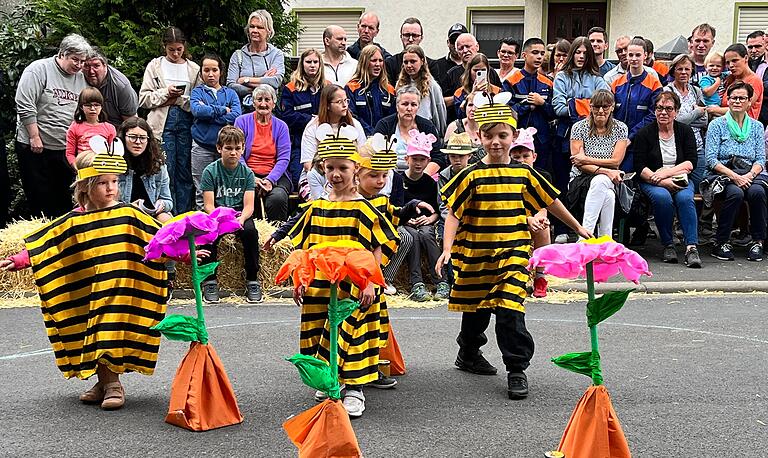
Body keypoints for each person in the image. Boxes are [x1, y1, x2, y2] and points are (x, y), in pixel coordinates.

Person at [436, 92, 592, 400]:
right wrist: (447, 248)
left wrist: (577, 227)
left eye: (502, 135)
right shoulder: (471, 174)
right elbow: (454, 213)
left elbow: (550, 201)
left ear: (513, 136)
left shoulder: (524, 173)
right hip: (477, 255)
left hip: (514, 254)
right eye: (490, 136)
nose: (496, 142)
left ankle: (516, 368)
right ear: (480, 137)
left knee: (510, 310)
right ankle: (467, 352)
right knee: (476, 310)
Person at [0, 147, 168, 411]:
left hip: (120, 291)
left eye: (114, 181)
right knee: (94, 332)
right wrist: (21, 259)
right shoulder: (75, 221)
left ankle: (113, 384)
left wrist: (184, 253)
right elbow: (50, 243)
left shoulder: (128, 215)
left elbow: (159, 240)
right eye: (102, 183)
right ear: (85, 187)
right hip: (89, 292)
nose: (111, 188)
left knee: (107, 331)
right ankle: (103, 383)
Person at [287, 126, 400, 418]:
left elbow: (378, 247)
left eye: (343, 168)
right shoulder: (317, 207)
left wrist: (371, 283)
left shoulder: (364, 208)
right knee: (319, 329)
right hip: (321, 285)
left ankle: (354, 389)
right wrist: (300, 278)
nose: (336, 174)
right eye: (330, 168)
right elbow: (306, 249)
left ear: (355, 168)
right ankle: (330, 377)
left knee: (352, 334)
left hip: (354, 284)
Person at [15, 33, 91, 218]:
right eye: (75, 60)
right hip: (36, 147)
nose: (79, 65)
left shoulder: (80, 78)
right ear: (62, 54)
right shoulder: (38, 70)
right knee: (39, 198)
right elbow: (24, 103)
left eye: (82, 61)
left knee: (64, 199)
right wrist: (34, 136)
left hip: (64, 149)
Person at [552, 36, 610, 241]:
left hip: (592, 137)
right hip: (565, 136)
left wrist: (573, 103)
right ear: (572, 53)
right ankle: (561, 228)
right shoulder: (561, 77)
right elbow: (558, 107)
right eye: (578, 52)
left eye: (586, 53)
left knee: (586, 182)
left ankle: (584, 230)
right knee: (561, 183)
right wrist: (588, 105)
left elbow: (605, 103)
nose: (581, 56)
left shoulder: (597, 78)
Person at [634, 91, 701, 267]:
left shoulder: (685, 131)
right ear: (655, 110)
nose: (664, 112)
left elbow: (690, 162)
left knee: (686, 199)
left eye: (669, 109)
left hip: (678, 176)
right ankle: (668, 244)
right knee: (662, 198)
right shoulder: (644, 133)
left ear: (676, 111)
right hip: (652, 179)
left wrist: (665, 174)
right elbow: (639, 166)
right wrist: (660, 181)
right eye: (659, 108)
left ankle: (691, 247)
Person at [139, 26, 201, 214]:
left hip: (186, 122)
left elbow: (199, 100)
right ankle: (168, 214)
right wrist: (166, 93)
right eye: (171, 49)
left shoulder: (193, 69)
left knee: (184, 170)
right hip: (161, 124)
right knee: (167, 168)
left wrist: (179, 100)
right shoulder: (155, 66)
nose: (175, 53)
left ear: (184, 47)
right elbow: (143, 99)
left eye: (179, 49)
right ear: (164, 47)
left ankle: (183, 215)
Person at [704, 81, 766, 262]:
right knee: (735, 193)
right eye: (734, 98)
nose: (737, 101)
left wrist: (748, 175)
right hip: (723, 173)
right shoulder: (717, 125)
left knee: (757, 191)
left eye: (742, 98)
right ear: (728, 100)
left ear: (749, 102)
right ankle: (721, 241)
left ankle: (757, 241)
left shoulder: (756, 126)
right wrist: (735, 177)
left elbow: (760, 159)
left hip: (749, 173)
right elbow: (711, 159)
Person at [199, 125, 262, 303]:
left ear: (243, 149)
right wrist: (221, 219)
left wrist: (241, 219)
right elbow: (208, 205)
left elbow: (249, 205)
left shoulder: (247, 173)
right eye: (228, 148)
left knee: (251, 233)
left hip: (239, 214)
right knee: (208, 235)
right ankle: (209, 280)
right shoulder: (210, 171)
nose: (233, 153)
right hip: (218, 214)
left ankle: (252, 279)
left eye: (237, 148)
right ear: (219, 148)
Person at [567, 89, 629, 238]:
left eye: (605, 106)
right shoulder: (579, 127)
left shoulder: (621, 128)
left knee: (602, 182)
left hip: (610, 178)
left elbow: (616, 162)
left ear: (612, 107)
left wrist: (586, 158)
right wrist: (606, 170)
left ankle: (585, 235)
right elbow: (578, 164)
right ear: (590, 106)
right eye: (596, 106)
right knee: (607, 194)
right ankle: (605, 240)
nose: (601, 111)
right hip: (581, 178)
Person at [400, 130, 450, 302]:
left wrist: (430, 218)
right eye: (415, 159)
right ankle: (416, 282)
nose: (418, 163)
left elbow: (438, 209)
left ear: (428, 161)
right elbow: (395, 208)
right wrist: (406, 219)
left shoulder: (430, 183)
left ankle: (440, 279)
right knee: (413, 236)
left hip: (426, 222)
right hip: (405, 221)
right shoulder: (399, 181)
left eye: (422, 160)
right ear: (407, 159)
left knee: (428, 234)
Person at [190, 53, 241, 210]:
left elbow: (236, 115)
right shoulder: (197, 92)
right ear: (201, 72)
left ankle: (225, 223)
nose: (210, 74)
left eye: (214, 70)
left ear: (221, 72)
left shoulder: (230, 93)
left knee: (225, 187)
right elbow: (197, 111)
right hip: (201, 146)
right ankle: (202, 224)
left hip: (224, 149)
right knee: (201, 188)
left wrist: (210, 113)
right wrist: (222, 110)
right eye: (206, 70)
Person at [234, 84, 292, 222]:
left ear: (274, 102)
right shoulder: (241, 122)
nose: (263, 104)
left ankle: (276, 237)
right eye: (259, 99)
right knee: (248, 195)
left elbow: (284, 158)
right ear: (253, 102)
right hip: (247, 173)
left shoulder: (281, 126)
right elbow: (237, 154)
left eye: (267, 100)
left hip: (275, 175)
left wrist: (270, 180)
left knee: (277, 198)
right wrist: (250, 177)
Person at [299, 84, 366, 196]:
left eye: (346, 100)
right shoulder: (313, 127)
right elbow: (308, 164)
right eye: (339, 102)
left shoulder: (354, 125)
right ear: (328, 105)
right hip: (320, 174)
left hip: (349, 174)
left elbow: (363, 155)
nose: (345, 105)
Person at [509, 127, 552, 297]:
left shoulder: (543, 176)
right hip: (513, 219)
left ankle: (540, 277)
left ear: (534, 157)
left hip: (534, 218)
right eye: (517, 157)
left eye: (526, 156)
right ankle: (516, 276)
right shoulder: (508, 176)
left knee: (543, 227)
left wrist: (539, 218)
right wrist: (527, 220)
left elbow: (545, 205)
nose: (522, 161)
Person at [610, 37, 663, 172]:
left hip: (641, 142)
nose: (634, 58)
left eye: (638, 55)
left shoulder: (654, 84)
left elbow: (653, 116)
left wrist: (631, 137)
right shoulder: (616, 83)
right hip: (616, 141)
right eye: (631, 55)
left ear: (645, 56)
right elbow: (610, 112)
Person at [279, 49, 328, 190]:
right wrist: (311, 120)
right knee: (297, 179)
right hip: (299, 143)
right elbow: (286, 116)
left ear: (320, 64)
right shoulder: (291, 88)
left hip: (325, 143)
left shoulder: (328, 87)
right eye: (308, 62)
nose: (312, 65)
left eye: (315, 62)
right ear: (302, 64)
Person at [504, 37, 555, 172]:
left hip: (543, 141)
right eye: (535, 52)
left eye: (542, 54)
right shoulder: (511, 81)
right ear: (524, 55)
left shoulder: (548, 82)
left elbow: (554, 112)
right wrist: (528, 106)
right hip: (517, 140)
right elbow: (507, 111)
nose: (539, 57)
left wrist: (542, 103)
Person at [373, 85, 446, 174]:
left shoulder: (427, 126)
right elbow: (374, 153)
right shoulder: (384, 125)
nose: (409, 109)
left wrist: (423, 177)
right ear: (397, 106)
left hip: (421, 175)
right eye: (405, 104)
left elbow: (438, 157)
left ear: (418, 107)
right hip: (389, 175)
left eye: (414, 105)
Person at [663, 54, 707, 189]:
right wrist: (696, 113)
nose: (683, 72)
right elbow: (670, 121)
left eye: (687, 69)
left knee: (699, 185)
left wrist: (684, 119)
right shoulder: (668, 91)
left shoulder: (696, 91)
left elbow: (704, 121)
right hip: (677, 146)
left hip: (697, 146)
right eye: (679, 69)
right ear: (673, 71)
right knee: (679, 186)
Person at [118, 117, 173, 222]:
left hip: (151, 215)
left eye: (143, 138)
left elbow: (169, 201)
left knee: (165, 218)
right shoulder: (114, 164)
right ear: (123, 138)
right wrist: (130, 208)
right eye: (133, 137)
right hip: (124, 215)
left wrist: (162, 204)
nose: (138, 142)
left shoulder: (158, 166)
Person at [227, 9, 285, 101]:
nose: (254, 30)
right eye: (252, 26)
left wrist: (245, 80)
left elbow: (275, 82)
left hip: (268, 108)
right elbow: (231, 86)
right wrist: (264, 83)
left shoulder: (276, 54)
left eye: (260, 27)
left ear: (269, 31)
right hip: (243, 108)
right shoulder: (238, 55)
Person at [442, 33, 503, 116]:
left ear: (477, 46)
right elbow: (443, 103)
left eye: (468, 46)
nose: (465, 50)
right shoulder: (451, 75)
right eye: (461, 48)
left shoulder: (494, 81)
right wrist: (470, 95)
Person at [395, 44, 448, 136]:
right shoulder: (400, 84)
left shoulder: (432, 86)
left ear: (422, 61)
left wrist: (440, 134)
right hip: (404, 131)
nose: (409, 65)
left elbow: (440, 111)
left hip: (425, 132)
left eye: (413, 61)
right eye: (406, 62)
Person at [345, 45, 395, 135]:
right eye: (373, 60)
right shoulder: (351, 88)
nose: (378, 64)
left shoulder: (389, 90)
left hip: (384, 140)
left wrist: (380, 134)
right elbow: (351, 116)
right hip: (360, 137)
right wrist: (370, 133)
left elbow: (393, 118)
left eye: (380, 60)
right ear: (364, 62)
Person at [83, 49, 138, 128]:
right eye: (87, 66)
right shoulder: (78, 77)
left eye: (96, 66)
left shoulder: (120, 86)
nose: (91, 71)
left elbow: (131, 122)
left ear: (105, 66)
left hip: (116, 128)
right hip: (86, 127)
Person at [709, 44, 764, 120]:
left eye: (735, 60)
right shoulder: (730, 79)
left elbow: (741, 108)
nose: (731, 65)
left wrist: (712, 109)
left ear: (746, 58)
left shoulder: (754, 80)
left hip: (744, 129)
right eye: (728, 63)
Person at [65, 87, 117, 168]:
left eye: (96, 105)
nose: (93, 108)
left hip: (103, 168)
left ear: (101, 107)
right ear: (81, 107)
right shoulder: (74, 127)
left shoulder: (110, 128)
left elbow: (113, 152)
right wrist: (76, 167)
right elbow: (70, 153)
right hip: (83, 168)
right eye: (88, 105)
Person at [385, 17, 439, 86]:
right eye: (407, 35)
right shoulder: (390, 64)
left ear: (421, 38)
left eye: (414, 35)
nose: (410, 39)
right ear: (401, 37)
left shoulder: (432, 65)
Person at [452, 53, 500, 120]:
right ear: (469, 71)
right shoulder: (460, 92)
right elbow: (459, 115)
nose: (479, 73)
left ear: (488, 71)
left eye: (483, 70)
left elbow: (499, 114)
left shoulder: (496, 90)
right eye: (476, 70)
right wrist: (471, 95)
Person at [443, 91, 483, 158]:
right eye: (470, 105)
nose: (473, 109)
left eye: (477, 106)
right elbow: (445, 156)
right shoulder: (454, 126)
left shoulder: (489, 128)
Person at [433, 23, 468, 92]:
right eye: (453, 40)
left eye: (460, 41)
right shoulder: (437, 66)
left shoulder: (475, 66)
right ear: (448, 42)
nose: (456, 44)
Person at [745, 30, 768, 125]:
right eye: (750, 47)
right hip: (749, 113)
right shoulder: (745, 62)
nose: (753, 50)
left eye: (758, 46)